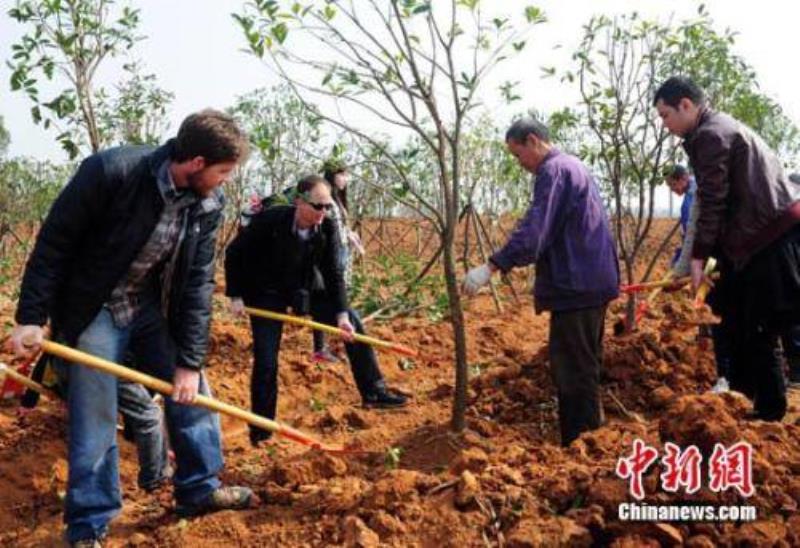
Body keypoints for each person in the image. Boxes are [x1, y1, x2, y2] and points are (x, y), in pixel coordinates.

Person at [10, 109, 255, 547]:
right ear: (196, 163)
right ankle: (89, 523)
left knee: (194, 392)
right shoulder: (113, 172)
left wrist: (188, 363)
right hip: (93, 308)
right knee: (96, 413)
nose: (226, 181)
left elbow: (198, 285)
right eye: (223, 171)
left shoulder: (208, 205)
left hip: (145, 307)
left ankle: (197, 489)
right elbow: (55, 243)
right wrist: (31, 316)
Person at [462, 116, 619, 447]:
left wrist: (491, 266)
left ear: (533, 140)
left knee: (573, 371)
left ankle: (581, 447)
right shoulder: (573, 165)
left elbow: (534, 233)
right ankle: (592, 439)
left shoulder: (553, 171)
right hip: (591, 280)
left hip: (577, 285)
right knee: (585, 365)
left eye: (518, 155)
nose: (520, 164)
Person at [654, 76, 800, 421]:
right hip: (760, 236)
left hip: (770, 235)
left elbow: (713, 201)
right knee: (748, 322)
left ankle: (770, 409)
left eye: (665, 115)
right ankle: (761, 402)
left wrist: (699, 258)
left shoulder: (710, 136)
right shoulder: (715, 129)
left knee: (766, 323)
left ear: (686, 105)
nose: (665, 125)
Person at [224, 175, 407, 447]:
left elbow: (334, 273)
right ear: (299, 201)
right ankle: (262, 430)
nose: (323, 212)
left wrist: (341, 316)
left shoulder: (328, 227)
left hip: (305, 287)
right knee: (266, 361)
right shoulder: (270, 220)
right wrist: (235, 294)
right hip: (266, 291)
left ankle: (374, 392)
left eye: (328, 206)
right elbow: (234, 253)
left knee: (353, 321)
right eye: (318, 206)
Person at [310, 160, 365, 364]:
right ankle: (320, 348)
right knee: (328, 299)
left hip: (342, 253)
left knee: (337, 298)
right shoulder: (327, 201)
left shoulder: (337, 201)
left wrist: (352, 237)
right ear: (332, 175)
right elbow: (327, 230)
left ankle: (326, 345)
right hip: (332, 257)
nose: (345, 179)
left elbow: (340, 228)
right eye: (342, 174)